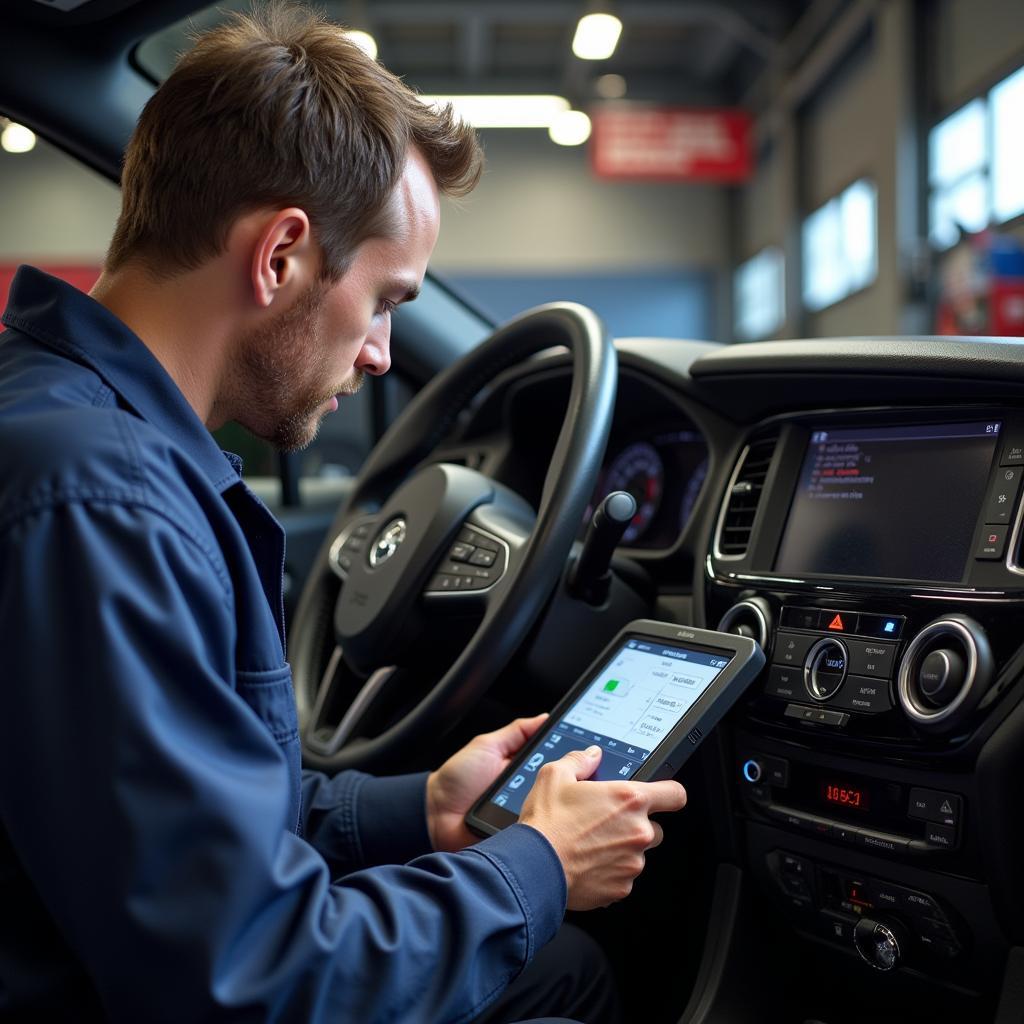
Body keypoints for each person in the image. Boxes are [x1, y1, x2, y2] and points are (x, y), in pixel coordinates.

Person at [0, 6, 687, 1022]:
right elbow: (248, 976)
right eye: (385, 301)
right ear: (280, 255)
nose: (378, 354)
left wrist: (421, 809)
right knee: (567, 969)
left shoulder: (68, 429)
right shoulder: (104, 506)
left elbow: (186, 824)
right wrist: (537, 865)